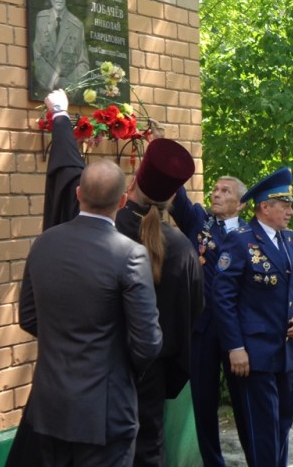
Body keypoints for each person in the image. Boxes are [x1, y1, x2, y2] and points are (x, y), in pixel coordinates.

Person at [14, 158, 163, 466]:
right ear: (122, 201)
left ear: (78, 194)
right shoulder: (130, 254)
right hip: (105, 411)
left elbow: (28, 317)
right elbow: (148, 342)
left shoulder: (44, 243)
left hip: (49, 405)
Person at [115, 138, 205, 466]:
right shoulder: (182, 249)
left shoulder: (107, 229)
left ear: (135, 179)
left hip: (104, 368)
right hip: (152, 375)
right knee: (147, 450)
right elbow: (191, 318)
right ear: (172, 196)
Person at [213, 166, 293, 467]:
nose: (290, 211)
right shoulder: (241, 240)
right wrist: (235, 348)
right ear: (265, 207)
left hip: (284, 352)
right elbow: (223, 298)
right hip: (253, 354)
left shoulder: (291, 240)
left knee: (282, 426)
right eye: (285, 205)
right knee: (262, 433)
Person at [169, 176, 248, 466]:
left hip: (236, 336)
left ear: (240, 203)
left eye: (224, 191)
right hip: (201, 331)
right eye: (214, 189)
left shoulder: (251, 235)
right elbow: (177, 198)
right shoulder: (199, 222)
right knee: (204, 405)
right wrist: (162, 149)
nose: (216, 194)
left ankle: (256, 456)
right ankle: (214, 463)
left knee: (244, 404)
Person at [32, 0, 90, 101]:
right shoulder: (41, 19)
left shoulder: (77, 25)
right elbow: (37, 56)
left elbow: (83, 63)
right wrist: (56, 80)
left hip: (69, 96)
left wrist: (69, 84)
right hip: (45, 93)